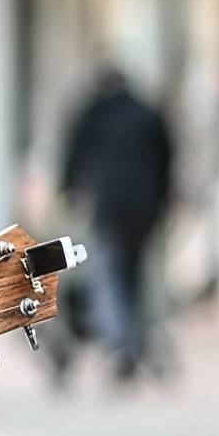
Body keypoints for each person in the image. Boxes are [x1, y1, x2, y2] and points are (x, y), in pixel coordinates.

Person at [58, 61, 176, 384]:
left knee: (109, 274)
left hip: (109, 206)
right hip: (145, 208)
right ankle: (135, 341)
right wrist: (164, 201)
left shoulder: (95, 112)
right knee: (135, 275)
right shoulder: (146, 113)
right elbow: (167, 158)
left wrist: (67, 190)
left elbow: (73, 154)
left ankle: (121, 343)